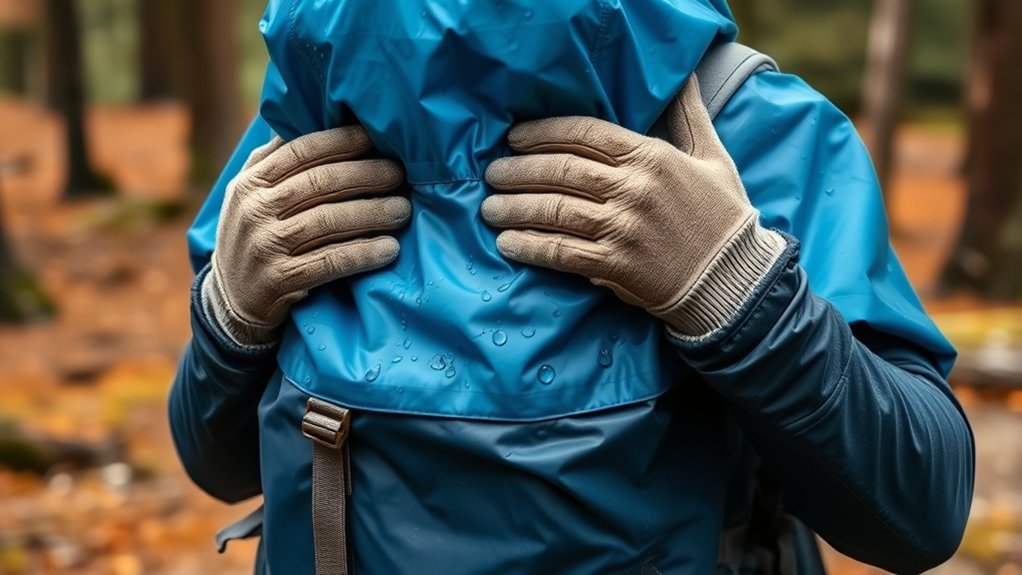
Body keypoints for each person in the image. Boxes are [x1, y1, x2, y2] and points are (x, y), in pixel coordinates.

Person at [169, 1, 975, 574]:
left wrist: (737, 292)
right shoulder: (309, 117)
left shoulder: (735, 129)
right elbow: (227, 464)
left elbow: (920, 512)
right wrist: (227, 317)